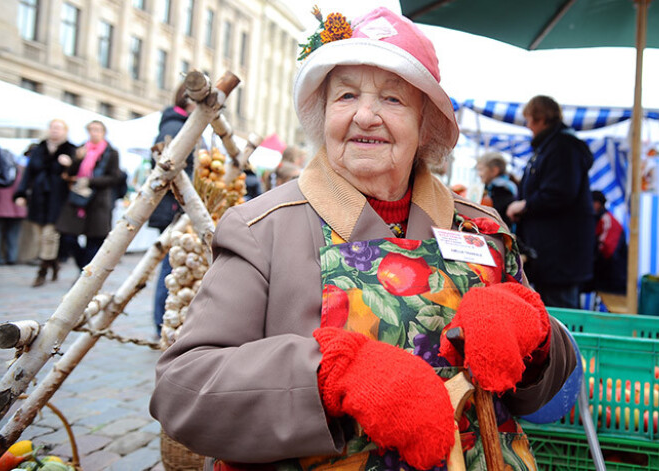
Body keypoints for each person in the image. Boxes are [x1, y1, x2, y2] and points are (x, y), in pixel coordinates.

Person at [151, 8, 577, 471]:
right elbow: (182, 390)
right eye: (347, 95)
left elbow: (552, 389)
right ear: (323, 114)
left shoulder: (483, 228)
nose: (366, 115)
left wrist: (534, 338)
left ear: (426, 124)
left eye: (392, 99)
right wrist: (328, 376)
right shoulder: (262, 229)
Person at [507, 95, 595, 309]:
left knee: (560, 317)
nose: (528, 126)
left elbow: (560, 192)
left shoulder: (563, 147)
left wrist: (525, 205)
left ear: (540, 118)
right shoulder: (551, 146)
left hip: (560, 255)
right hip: (552, 254)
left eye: (529, 120)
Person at [149, 82, 197, 337]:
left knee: (171, 263)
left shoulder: (181, 125)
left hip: (176, 204)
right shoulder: (174, 126)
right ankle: (161, 321)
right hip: (173, 206)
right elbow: (166, 166)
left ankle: (164, 319)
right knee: (170, 265)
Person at [13, 119, 76, 286]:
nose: (55, 131)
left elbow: (78, 175)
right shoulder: (39, 149)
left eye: (58, 128)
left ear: (65, 131)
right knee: (39, 236)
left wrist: (70, 165)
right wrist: (21, 193)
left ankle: (42, 271)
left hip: (58, 199)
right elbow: (28, 174)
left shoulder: (70, 150)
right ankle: (53, 264)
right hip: (38, 197)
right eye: (53, 128)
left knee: (50, 236)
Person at [56, 120, 121, 271]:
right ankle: (83, 265)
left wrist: (90, 181)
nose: (94, 133)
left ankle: (85, 274)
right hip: (77, 199)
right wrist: (77, 159)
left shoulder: (111, 152)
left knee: (94, 239)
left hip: (98, 201)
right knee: (67, 236)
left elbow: (114, 177)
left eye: (97, 130)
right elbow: (70, 174)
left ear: (103, 133)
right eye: (91, 130)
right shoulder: (81, 149)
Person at [588, 190, 627, 294]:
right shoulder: (597, 220)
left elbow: (607, 250)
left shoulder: (607, 220)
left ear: (597, 203)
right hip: (606, 277)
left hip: (614, 279)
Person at [476, 152, 518, 227]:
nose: (479, 174)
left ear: (494, 171)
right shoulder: (493, 187)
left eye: (481, 170)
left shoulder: (502, 189)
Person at [0, 151, 27, 265]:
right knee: (13, 235)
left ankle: (3, 258)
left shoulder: (2, 172)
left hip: (3, 208)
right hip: (17, 209)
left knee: (2, 234)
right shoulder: (20, 170)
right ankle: (11, 257)